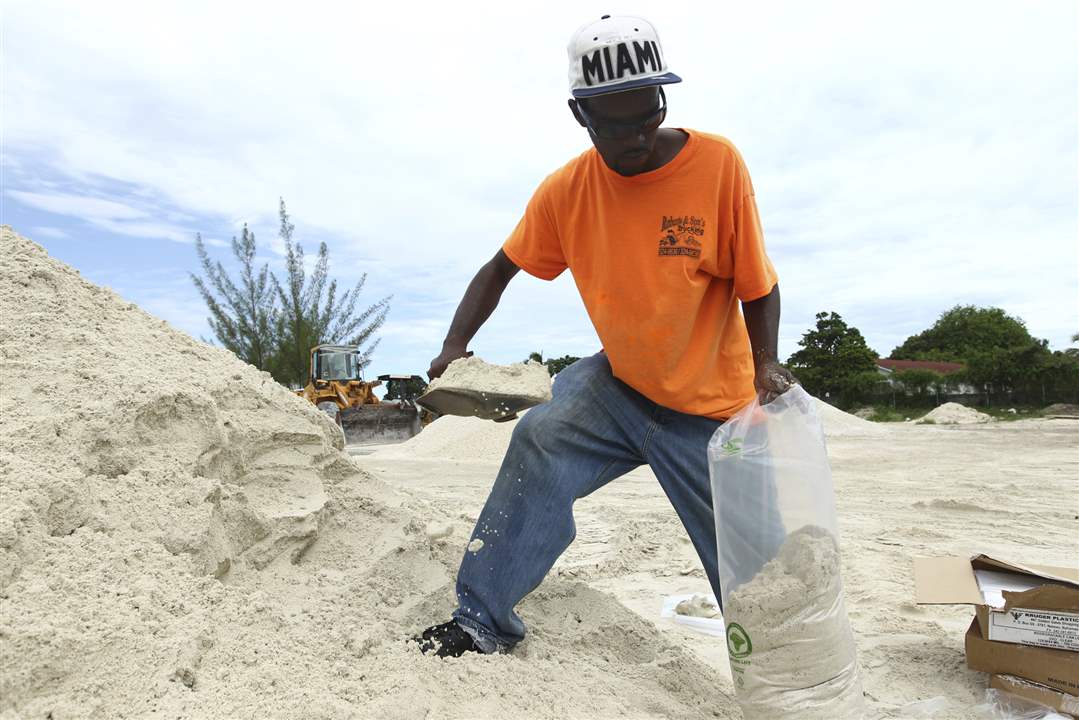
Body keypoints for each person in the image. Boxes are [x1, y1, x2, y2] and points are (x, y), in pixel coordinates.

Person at [415, 14, 797, 657]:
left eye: (648, 115)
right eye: (617, 124)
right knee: (540, 437)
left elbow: (758, 284)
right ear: (580, 115)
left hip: (712, 409)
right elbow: (499, 268)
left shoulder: (718, 165)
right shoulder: (567, 193)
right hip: (617, 384)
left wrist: (768, 364)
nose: (638, 136)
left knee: (757, 570)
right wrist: (455, 347)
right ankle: (481, 621)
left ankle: (784, 677)